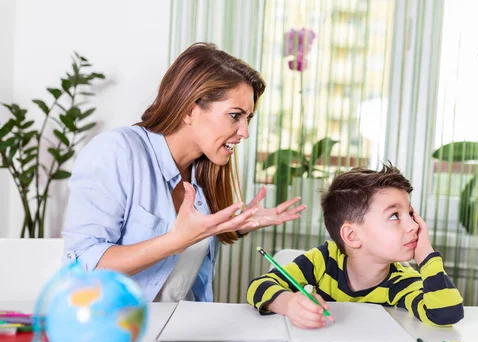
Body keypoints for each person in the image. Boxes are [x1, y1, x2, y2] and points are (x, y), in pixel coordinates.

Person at [62, 43, 305, 302]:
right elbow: (84, 265)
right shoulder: (116, 152)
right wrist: (173, 242)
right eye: (235, 116)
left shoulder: (203, 172)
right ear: (190, 110)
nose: (245, 132)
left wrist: (235, 224)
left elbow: (189, 253)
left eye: (248, 118)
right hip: (120, 332)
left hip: (180, 329)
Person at [247, 163, 464, 328]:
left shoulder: (401, 281)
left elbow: (445, 314)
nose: (414, 225)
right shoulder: (323, 261)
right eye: (395, 216)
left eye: (410, 213)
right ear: (351, 235)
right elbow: (258, 286)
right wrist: (287, 303)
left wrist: (425, 254)